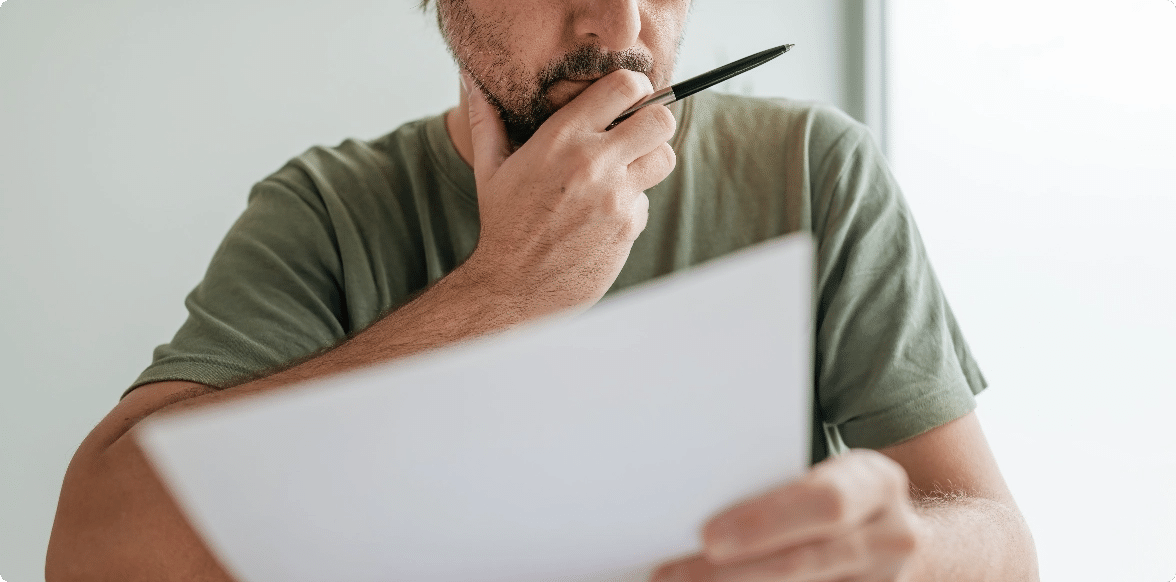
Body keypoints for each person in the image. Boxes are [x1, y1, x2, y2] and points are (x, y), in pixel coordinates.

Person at [46, 0, 1039, 580]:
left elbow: (1005, 546)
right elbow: (93, 553)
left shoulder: (810, 168)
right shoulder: (329, 211)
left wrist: (903, 554)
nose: (623, 28)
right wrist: (502, 293)